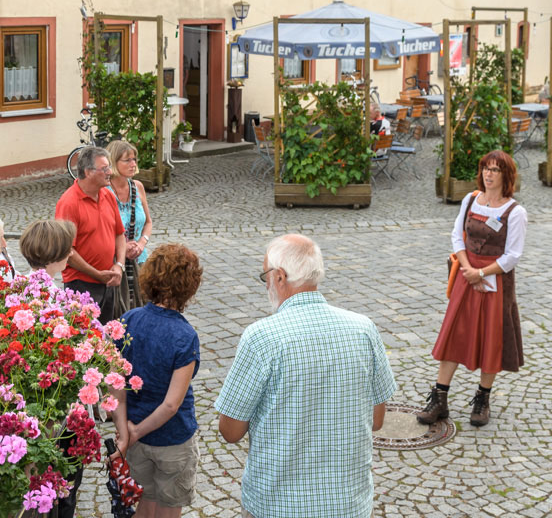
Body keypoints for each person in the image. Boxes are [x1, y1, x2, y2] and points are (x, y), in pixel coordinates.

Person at [214, 234, 396, 518]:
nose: (266, 285)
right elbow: (377, 419)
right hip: (347, 504)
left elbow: (231, 431)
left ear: (280, 277)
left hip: (277, 505)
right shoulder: (364, 329)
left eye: (265, 277)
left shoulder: (261, 337)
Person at [420, 150, 526, 427]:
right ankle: (439, 398)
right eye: (486, 169)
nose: (488, 174)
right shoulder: (470, 200)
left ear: (506, 175)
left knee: (492, 337)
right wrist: (469, 271)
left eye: (495, 170)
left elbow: (512, 256)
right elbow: (458, 236)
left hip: (496, 281)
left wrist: (481, 273)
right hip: (466, 277)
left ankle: (483, 398)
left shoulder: (515, 212)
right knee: (454, 333)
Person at [111, 244, 202, 518]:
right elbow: (172, 405)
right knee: (167, 508)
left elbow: (116, 386)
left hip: (135, 435)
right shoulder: (185, 336)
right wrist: (136, 432)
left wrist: (126, 432)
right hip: (173, 439)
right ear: (189, 287)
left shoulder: (127, 321)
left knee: (143, 504)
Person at [55, 146, 126, 323]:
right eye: (104, 168)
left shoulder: (107, 196)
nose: (110, 172)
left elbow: (119, 234)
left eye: (109, 167)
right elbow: (67, 251)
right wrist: (95, 273)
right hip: (81, 285)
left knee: (107, 337)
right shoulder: (69, 203)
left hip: (108, 281)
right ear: (88, 172)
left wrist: (119, 266)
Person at [106, 140, 153, 312]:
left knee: (142, 309)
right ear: (113, 162)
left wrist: (141, 243)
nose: (133, 164)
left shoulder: (138, 187)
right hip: (114, 263)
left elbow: (148, 222)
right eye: (127, 160)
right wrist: (122, 247)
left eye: (134, 159)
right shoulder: (104, 191)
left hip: (139, 260)